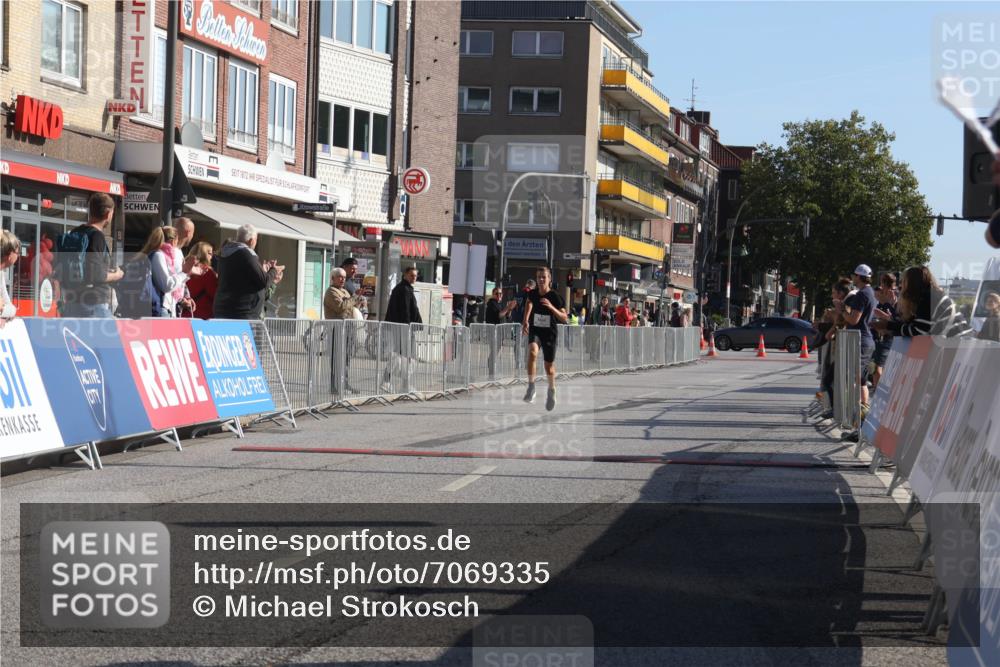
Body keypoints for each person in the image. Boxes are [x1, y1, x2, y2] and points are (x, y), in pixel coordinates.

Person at [57, 192, 124, 318]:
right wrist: (116, 275)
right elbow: (95, 274)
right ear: (108, 214)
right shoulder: (96, 236)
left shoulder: (76, 232)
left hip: (72, 302)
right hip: (94, 304)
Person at [874, 266, 972, 339]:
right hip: (959, 342)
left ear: (911, 284)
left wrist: (889, 326)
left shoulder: (928, 299)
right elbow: (913, 324)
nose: (901, 286)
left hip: (959, 345)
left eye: (903, 282)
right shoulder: (929, 296)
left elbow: (918, 331)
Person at [522, 267, 567, 411]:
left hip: (549, 333)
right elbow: (529, 302)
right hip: (536, 330)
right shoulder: (533, 293)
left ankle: (552, 390)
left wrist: (551, 307)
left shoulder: (555, 297)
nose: (541, 279)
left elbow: (564, 318)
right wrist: (526, 320)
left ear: (549, 279)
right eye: (539, 277)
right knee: (532, 351)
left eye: (544, 277)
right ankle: (531, 387)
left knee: (549, 367)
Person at [214, 224, 279, 320]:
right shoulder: (247, 254)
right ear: (251, 240)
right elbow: (264, 281)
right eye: (256, 240)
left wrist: (263, 270)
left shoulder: (226, 254)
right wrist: (273, 270)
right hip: (242, 314)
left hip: (223, 310)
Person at [841, 264, 877, 410]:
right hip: (866, 339)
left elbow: (853, 319)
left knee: (853, 377)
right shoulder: (871, 292)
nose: (852, 278)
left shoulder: (862, 294)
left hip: (860, 340)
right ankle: (862, 409)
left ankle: (854, 412)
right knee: (861, 379)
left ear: (858, 276)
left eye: (853, 276)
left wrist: (842, 310)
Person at [382, 266, 423, 391]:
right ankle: (387, 381)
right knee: (402, 356)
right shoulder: (404, 289)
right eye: (411, 275)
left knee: (405, 357)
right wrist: (408, 327)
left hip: (402, 328)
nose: (414, 278)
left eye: (415, 276)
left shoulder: (404, 288)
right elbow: (405, 311)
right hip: (403, 329)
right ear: (405, 275)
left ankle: (404, 384)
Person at [870, 273, 899, 390]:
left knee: (878, 366)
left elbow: (895, 318)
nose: (880, 285)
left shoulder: (892, 295)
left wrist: (883, 315)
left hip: (888, 337)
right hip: (879, 335)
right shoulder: (883, 296)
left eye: (882, 282)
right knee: (875, 366)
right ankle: (877, 389)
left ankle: (879, 390)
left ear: (885, 283)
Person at [185, 242, 218, 319]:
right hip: (203, 316)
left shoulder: (185, 267)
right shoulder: (207, 272)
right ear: (204, 254)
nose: (212, 257)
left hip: (185, 313)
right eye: (210, 253)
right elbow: (215, 294)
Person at [171, 217, 197, 316]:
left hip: (175, 307)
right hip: (170, 308)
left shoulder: (178, 251)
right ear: (188, 233)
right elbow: (169, 282)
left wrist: (186, 296)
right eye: (193, 233)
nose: (192, 237)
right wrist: (182, 300)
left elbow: (180, 281)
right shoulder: (172, 252)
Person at [1, 230, 20, 327]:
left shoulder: (1, 273)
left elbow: (9, 305)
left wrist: (6, 311)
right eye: (17, 252)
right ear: (10, 255)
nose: (18, 256)